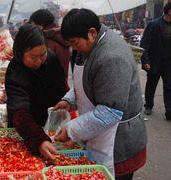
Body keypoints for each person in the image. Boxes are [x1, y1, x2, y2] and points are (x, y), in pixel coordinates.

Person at [53, 9, 147, 179]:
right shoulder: (89, 47)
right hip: (97, 130)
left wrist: (71, 130)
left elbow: (110, 112)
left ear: (92, 33)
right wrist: (69, 100)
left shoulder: (112, 57)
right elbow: (89, 83)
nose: (75, 49)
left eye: (75, 43)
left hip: (118, 140)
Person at [5, 24, 68, 160]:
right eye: (33, 57)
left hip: (50, 125)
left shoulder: (50, 59)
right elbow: (19, 112)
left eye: (42, 54)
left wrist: (66, 104)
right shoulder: (15, 72)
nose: (39, 61)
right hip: (27, 129)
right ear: (20, 53)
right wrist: (39, 139)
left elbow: (62, 88)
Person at [140, 2, 171, 119]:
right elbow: (144, 45)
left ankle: (169, 111)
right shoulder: (153, 25)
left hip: (169, 63)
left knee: (169, 86)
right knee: (151, 85)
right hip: (154, 62)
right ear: (169, 11)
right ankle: (148, 105)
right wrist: (146, 61)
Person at [29, 9, 71, 89]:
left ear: (41, 25)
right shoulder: (60, 36)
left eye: (33, 25)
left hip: (50, 89)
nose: (31, 28)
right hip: (61, 86)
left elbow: (41, 70)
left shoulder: (47, 42)